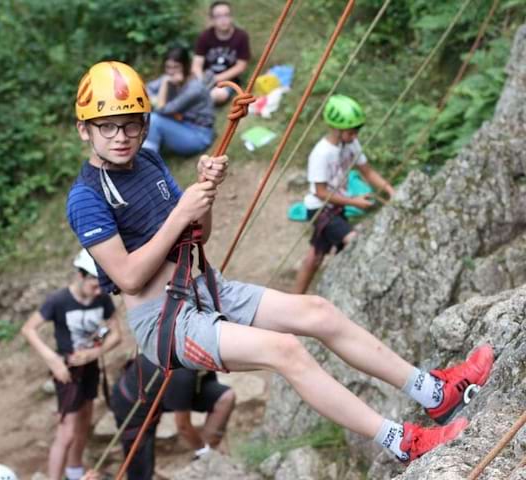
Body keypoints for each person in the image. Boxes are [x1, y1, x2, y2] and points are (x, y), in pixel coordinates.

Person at [66, 60, 495, 465]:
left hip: (201, 287)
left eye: (131, 124)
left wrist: (205, 195)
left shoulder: (149, 162)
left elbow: (197, 235)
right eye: (107, 126)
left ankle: (437, 393)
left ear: (144, 124)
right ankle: (402, 442)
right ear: (85, 130)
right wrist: (181, 213)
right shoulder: (86, 199)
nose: (121, 136)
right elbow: (128, 275)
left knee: (318, 310)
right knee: (285, 349)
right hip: (164, 323)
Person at [21, 249, 122, 480]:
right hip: (67, 371)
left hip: (90, 367)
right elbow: (28, 329)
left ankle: (74, 470)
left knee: (85, 420)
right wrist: (53, 359)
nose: (98, 291)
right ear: (81, 276)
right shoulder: (59, 301)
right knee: (66, 431)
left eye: (101, 286)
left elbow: (116, 335)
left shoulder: (103, 299)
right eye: (95, 285)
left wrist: (95, 352)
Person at [293, 94, 397, 294]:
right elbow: (320, 192)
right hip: (320, 208)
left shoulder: (351, 145)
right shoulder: (321, 153)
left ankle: (295, 299)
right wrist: (354, 202)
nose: (355, 136)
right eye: (351, 132)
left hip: (337, 207)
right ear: (336, 129)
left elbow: (368, 172)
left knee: (316, 256)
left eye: (357, 131)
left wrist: (391, 191)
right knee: (353, 240)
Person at [110, 355, 235, 479]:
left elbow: (209, 382)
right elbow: (183, 426)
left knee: (224, 397)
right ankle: (205, 456)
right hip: (132, 404)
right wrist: (203, 450)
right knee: (141, 466)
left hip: (165, 389)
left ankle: (206, 459)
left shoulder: (202, 354)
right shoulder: (182, 373)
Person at [142, 46, 215, 157]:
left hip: (199, 134)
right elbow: (146, 89)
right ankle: (143, 153)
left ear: (185, 66)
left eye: (176, 67)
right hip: (180, 123)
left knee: (154, 119)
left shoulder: (194, 88)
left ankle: (147, 161)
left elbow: (162, 109)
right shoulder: (170, 78)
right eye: (168, 67)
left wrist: (165, 84)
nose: (171, 72)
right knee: (145, 114)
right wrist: (156, 97)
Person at [191, 1, 251, 105]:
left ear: (231, 17)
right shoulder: (205, 36)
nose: (223, 20)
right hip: (206, 76)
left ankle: (196, 105)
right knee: (189, 87)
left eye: (226, 15)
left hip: (228, 80)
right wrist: (201, 80)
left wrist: (216, 79)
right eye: (218, 16)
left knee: (219, 95)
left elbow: (241, 66)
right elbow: (196, 64)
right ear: (212, 20)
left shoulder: (241, 36)